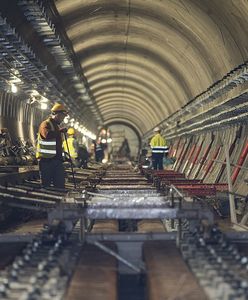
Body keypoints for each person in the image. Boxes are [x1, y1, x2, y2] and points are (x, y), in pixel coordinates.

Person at [36, 103, 68, 188]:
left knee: (60, 184)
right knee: (46, 185)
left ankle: (60, 199)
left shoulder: (56, 126)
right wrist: (60, 131)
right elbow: (46, 135)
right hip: (46, 161)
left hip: (56, 160)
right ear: (56, 114)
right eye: (62, 117)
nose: (63, 119)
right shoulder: (45, 124)